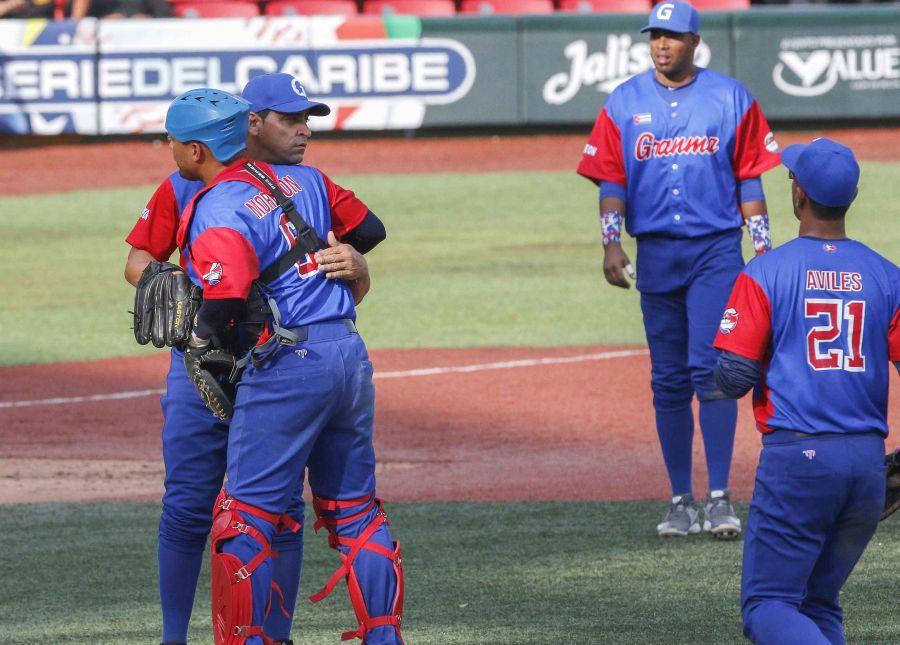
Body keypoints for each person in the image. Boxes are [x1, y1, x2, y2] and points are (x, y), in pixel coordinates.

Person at [124, 74, 377, 645]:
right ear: (249, 124)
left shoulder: (303, 186)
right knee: (189, 504)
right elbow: (139, 260)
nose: (300, 130)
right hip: (202, 368)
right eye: (288, 119)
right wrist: (184, 288)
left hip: (278, 365)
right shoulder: (185, 183)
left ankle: (275, 634)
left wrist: (358, 266)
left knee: (279, 507)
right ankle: (173, 637)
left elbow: (348, 257)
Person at [577, 0, 781, 538]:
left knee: (710, 371)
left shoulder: (730, 97)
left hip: (716, 251)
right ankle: (678, 500)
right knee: (667, 379)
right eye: (654, 37)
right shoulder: (625, 101)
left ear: (695, 42)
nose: (661, 45)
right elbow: (612, 179)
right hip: (658, 254)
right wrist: (610, 244)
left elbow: (751, 181)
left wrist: (763, 252)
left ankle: (717, 497)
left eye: (671, 36)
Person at [713, 137, 900, 644]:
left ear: (798, 195)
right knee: (818, 603)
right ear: (851, 196)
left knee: (768, 606)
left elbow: (732, 379)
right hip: (865, 466)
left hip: (799, 462)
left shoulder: (766, 272)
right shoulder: (887, 276)